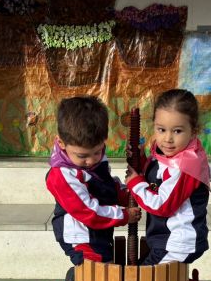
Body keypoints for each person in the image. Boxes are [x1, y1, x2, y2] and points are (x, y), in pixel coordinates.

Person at [46, 95, 141, 265]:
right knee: (98, 273)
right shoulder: (62, 175)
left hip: (99, 231)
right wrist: (124, 215)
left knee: (108, 269)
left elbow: (105, 184)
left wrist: (127, 193)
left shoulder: (95, 156)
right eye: (82, 156)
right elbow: (88, 211)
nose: (91, 161)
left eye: (97, 152)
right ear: (61, 143)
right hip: (81, 237)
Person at [125, 89, 211, 265]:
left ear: (194, 131)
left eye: (177, 131)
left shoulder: (186, 165)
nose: (168, 138)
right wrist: (140, 160)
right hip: (165, 240)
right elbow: (157, 178)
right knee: (139, 275)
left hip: (178, 244)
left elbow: (162, 205)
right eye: (161, 129)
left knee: (140, 280)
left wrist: (135, 183)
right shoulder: (171, 154)